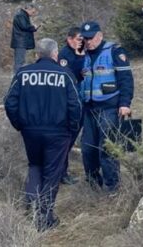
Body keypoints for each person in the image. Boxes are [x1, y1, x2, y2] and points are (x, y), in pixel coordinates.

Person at [4, 38, 81, 231]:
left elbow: (9, 102)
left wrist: (19, 124)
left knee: (35, 166)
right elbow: (75, 105)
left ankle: (31, 207)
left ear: (37, 54)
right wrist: (72, 129)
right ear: (55, 54)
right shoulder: (65, 75)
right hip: (58, 132)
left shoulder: (23, 73)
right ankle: (44, 219)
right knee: (52, 173)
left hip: (30, 130)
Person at [79, 21, 134, 192]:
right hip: (89, 109)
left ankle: (113, 188)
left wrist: (125, 103)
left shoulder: (114, 51)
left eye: (91, 38)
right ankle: (94, 185)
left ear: (100, 35)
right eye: (85, 38)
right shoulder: (83, 56)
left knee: (108, 149)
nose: (88, 42)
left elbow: (126, 79)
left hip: (109, 107)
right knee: (88, 149)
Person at [58, 27, 85, 185]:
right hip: (69, 101)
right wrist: (79, 57)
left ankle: (62, 171)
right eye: (79, 39)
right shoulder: (65, 55)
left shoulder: (83, 52)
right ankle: (61, 173)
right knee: (66, 139)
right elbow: (70, 75)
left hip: (83, 98)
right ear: (70, 39)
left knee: (73, 137)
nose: (82, 42)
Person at [10, 4, 39, 73]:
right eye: (33, 12)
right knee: (19, 61)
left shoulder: (22, 15)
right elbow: (24, 26)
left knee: (21, 61)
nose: (33, 14)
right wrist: (33, 27)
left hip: (21, 42)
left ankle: (18, 76)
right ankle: (17, 77)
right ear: (28, 9)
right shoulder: (21, 15)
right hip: (20, 42)